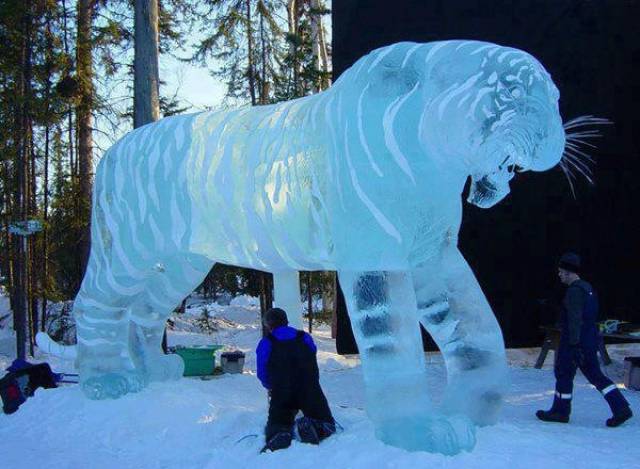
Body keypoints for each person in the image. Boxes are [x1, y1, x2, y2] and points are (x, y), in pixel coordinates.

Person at [536, 252, 633, 427]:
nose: (559, 275)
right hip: (588, 339)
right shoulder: (588, 288)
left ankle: (560, 411)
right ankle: (621, 407)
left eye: (561, 272)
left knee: (564, 374)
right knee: (594, 375)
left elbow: (575, 319)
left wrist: (574, 345)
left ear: (568, 272)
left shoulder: (574, 292)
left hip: (574, 341)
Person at [256, 307, 336, 452]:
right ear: (286, 321)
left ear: (269, 324)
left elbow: (262, 372)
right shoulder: (304, 337)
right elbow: (312, 355)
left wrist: (270, 386)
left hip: (282, 391)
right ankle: (315, 426)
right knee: (325, 421)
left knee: (278, 420)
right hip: (309, 389)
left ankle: (280, 433)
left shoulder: (267, 343)